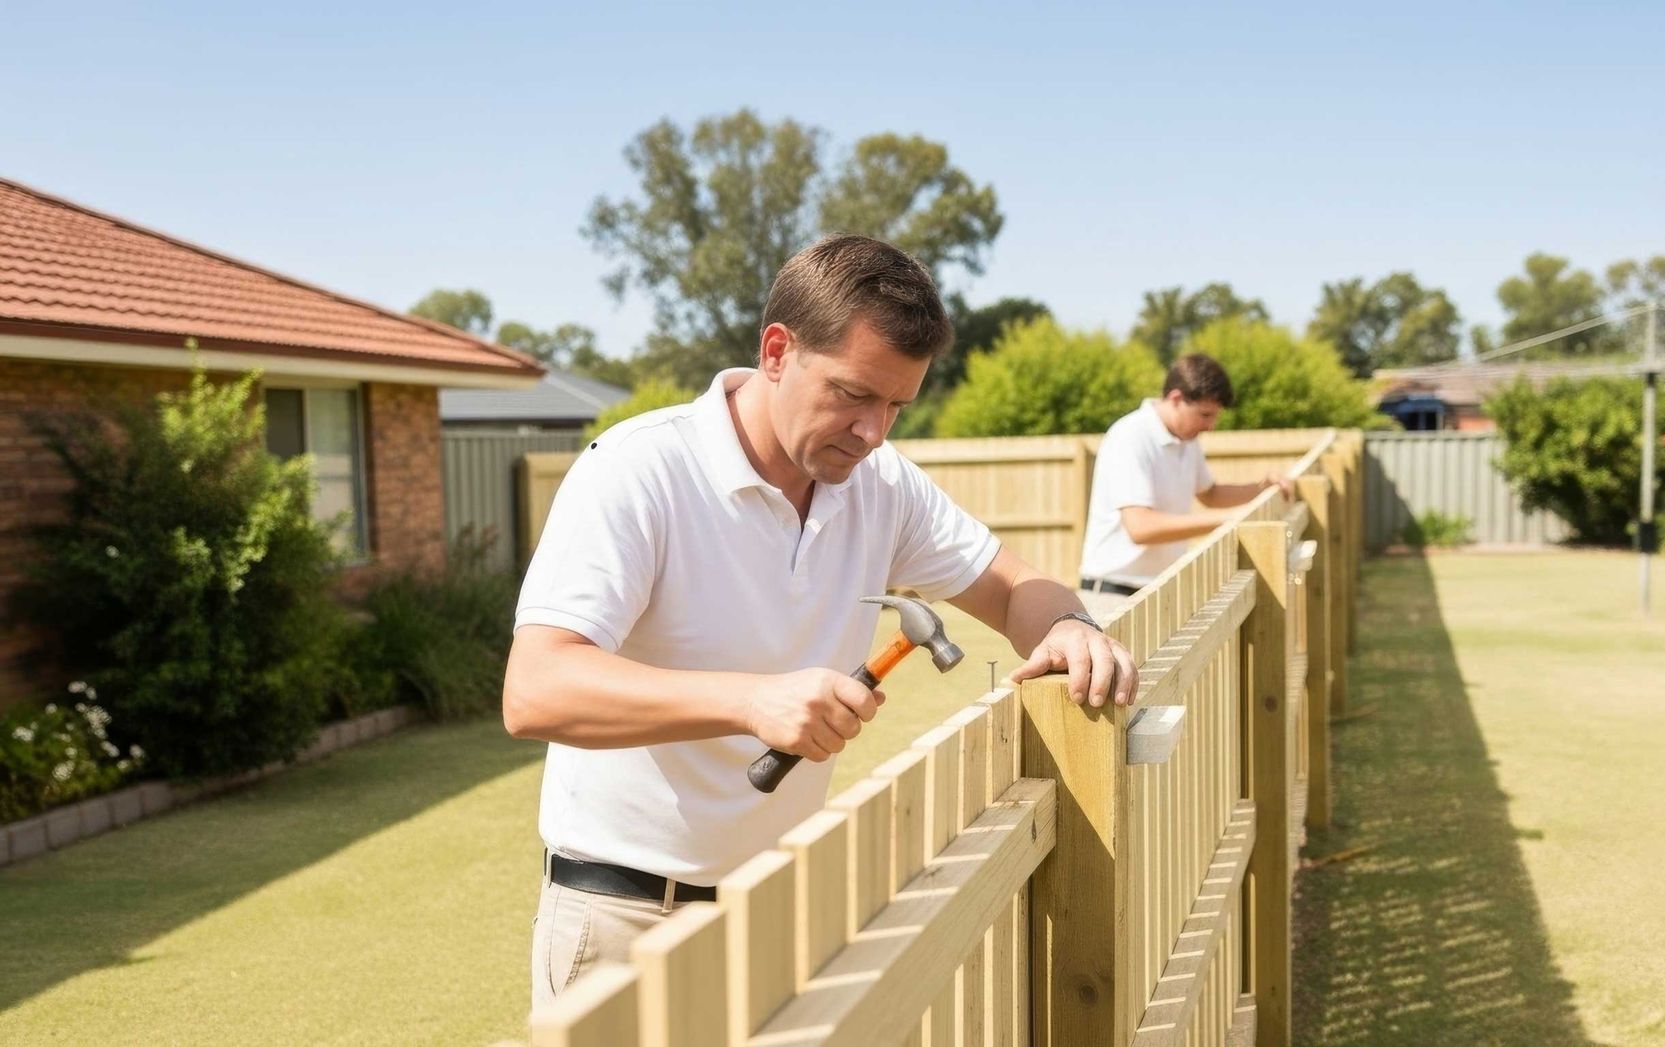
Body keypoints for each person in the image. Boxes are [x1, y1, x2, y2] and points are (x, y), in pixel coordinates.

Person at [503, 234, 1137, 1008]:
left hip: (785, 911)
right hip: (626, 919)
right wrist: (748, 700)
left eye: (897, 406)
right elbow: (535, 688)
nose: (874, 433)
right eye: (854, 394)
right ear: (778, 351)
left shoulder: (881, 485)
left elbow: (1012, 587)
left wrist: (1068, 624)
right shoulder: (637, 471)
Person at [1076, 353, 1293, 616]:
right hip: (1113, 597)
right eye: (1204, 415)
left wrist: (1263, 488)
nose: (1210, 426)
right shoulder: (1130, 438)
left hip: (1157, 592)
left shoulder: (1186, 439)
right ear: (1177, 399)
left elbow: (1210, 494)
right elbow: (1141, 527)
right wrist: (1231, 520)